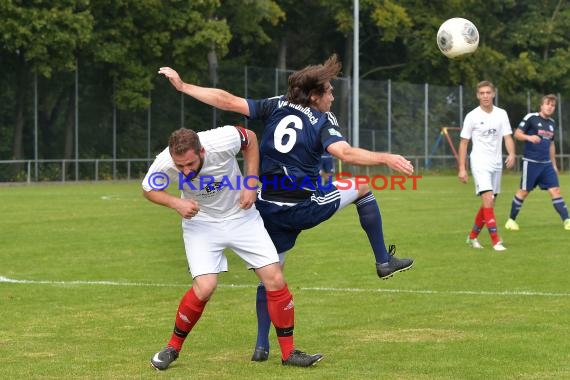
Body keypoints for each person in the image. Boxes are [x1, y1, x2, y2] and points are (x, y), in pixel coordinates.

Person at [158, 55, 414, 363]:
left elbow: (227, 101)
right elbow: (344, 152)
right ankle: (383, 261)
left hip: (265, 208)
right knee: (362, 186)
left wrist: (183, 86)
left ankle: (261, 346)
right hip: (301, 207)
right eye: (329, 91)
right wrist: (386, 158)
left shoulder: (277, 104)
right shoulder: (322, 120)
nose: (332, 96)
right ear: (314, 95)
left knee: (272, 274)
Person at [142, 126, 323, 370]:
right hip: (201, 224)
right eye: (180, 166)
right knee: (205, 287)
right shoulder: (165, 163)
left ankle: (289, 353)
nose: (185, 171)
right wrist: (176, 202)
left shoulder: (222, 139)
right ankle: (172, 348)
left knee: (275, 279)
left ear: (202, 151)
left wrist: (250, 183)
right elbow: (148, 188)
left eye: (190, 164)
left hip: (242, 217)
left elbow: (250, 138)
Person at [458, 80, 516, 251]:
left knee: (489, 204)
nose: (485, 96)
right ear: (477, 95)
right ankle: (496, 241)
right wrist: (462, 168)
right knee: (488, 198)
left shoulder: (501, 114)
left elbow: (507, 137)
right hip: (479, 162)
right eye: (481, 93)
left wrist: (512, 153)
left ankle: (472, 237)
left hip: (496, 163)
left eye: (488, 93)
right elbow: (463, 143)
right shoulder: (472, 116)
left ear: (493, 94)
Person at [505, 94, 570, 231]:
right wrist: (529, 137)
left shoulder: (552, 123)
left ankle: (567, 221)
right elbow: (517, 133)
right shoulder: (531, 118)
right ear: (541, 105)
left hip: (546, 165)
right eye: (547, 104)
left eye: (553, 105)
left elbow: (551, 145)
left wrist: (554, 164)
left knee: (556, 191)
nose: (550, 107)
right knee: (523, 192)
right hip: (531, 163)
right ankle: (511, 220)